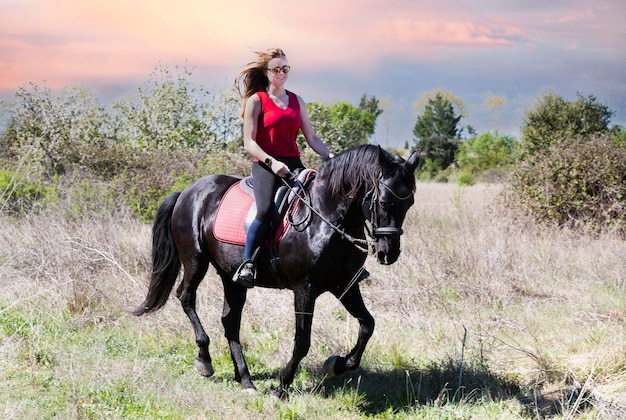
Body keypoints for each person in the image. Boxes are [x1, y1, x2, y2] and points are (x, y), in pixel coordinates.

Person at [232, 47, 334, 287]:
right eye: (277, 69)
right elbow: (249, 143)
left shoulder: (297, 101)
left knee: (323, 202)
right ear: (266, 72)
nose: (281, 72)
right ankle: (248, 263)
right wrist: (271, 162)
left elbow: (312, 138)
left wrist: (331, 154)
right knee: (266, 210)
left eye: (285, 68)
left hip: (294, 165)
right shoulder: (257, 100)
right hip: (265, 166)